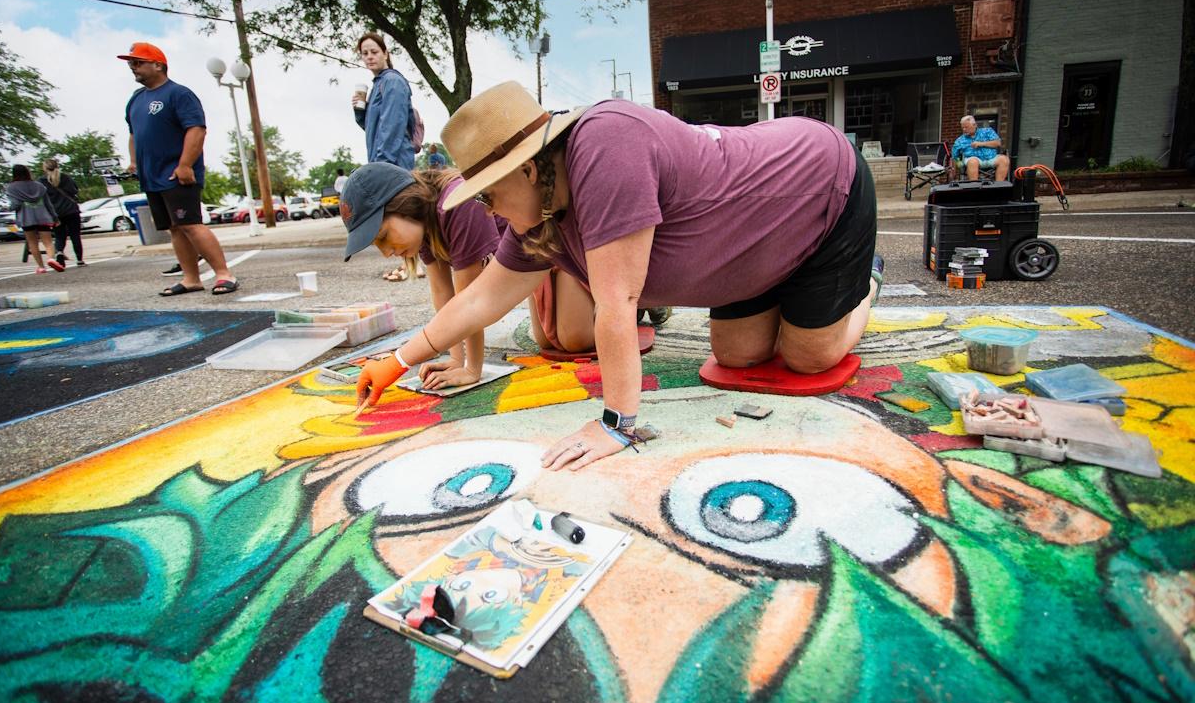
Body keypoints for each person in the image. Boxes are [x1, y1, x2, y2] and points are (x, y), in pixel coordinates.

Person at [351, 82, 882, 473]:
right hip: (755, 252)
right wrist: (396, 362)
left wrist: (617, 424)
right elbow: (478, 301)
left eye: (488, 194)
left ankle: (868, 282)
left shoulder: (605, 146)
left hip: (819, 191)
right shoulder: (540, 211)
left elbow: (618, 303)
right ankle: (794, 288)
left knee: (810, 359)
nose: (487, 212)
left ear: (529, 169)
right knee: (738, 355)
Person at [340, 162, 503, 389]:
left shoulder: (458, 204)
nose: (386, 253)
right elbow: (443, 294)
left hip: (546, 254)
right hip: (529, 269)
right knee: (550, 340)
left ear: (405, 204)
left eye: (383, 236)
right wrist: (457, 359)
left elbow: (470, 300)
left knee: (567, 338)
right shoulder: (423, 223)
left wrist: (472, 369)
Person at [118, 42, 238, 296]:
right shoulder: (136, 100)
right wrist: (134, 162)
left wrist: (185, 164)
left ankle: (224, 274)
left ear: (158, 65)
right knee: (174, 227)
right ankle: (191, 278)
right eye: (131, 63)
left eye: (138, 62)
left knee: (190, 223)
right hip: (151, 175)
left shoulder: (178, 94)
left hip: (176, 172)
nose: (133, 67)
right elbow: (134, 134)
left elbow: (196, 129)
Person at [352, 31, 420, 283]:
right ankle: (408, 265)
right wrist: (360, 112)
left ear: (385, 53)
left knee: (402, 215)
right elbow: (373, 129)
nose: (369, 57)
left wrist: (382, 168)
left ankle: (411, 266)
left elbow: (393, 125)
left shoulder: (392, 82)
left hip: (392, 161)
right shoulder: (378, 85)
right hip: (384, 159)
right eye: (365, 54)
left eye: (373, 52)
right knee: (396, 215)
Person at [5, 164, 63, 273]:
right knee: (48, 242)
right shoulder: (39, 186)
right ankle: (51, 259)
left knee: (32, 243)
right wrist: (55, 218)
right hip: (43, 217)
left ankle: (41, 267)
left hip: (26, 219)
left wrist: (10, 208)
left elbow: (15, 205)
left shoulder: (12, 188)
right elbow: (48, 204)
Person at [38, 158, 84, 267]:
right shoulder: (66, 177)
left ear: (44, 168)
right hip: (71, 210)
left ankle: (59, 252)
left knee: (59, 235)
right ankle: (79, 259)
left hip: (55, 213)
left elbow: (41, 197)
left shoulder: (41, 181)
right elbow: (75, 190)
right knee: (75, 235)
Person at [951, 115, 1010, 181]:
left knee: (1004, 159)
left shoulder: (987, 131)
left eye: (966, 127)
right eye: (963, 128)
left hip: (991, 158)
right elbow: (955, 156)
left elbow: (997, 143)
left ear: (975, 125)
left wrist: (981, 144)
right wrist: (960, 166)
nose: (964, 130)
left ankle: (999, 186)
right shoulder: (960, 140)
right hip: (973, 159)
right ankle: (974, 186)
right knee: (973, 162)